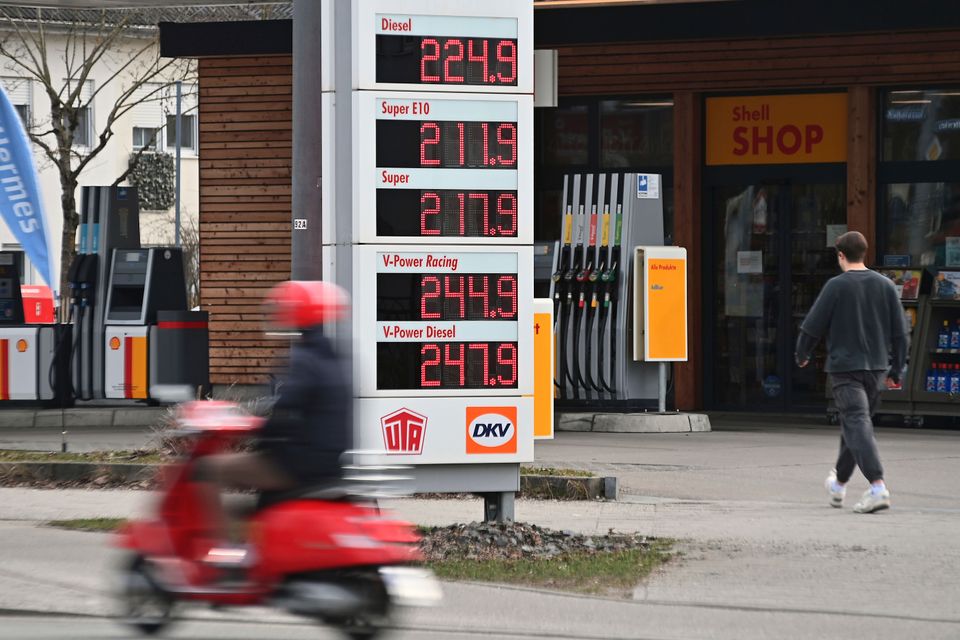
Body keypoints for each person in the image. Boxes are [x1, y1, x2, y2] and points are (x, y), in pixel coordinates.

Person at [198, 280, 353, 547]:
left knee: (206, 469)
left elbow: (284, 411)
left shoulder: (303, 359)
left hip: (295, 464)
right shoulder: (335, 359)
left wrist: (257, 431)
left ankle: (221, 549)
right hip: (329, 463)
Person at [795, 231, 908, 514]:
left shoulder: (836, 286)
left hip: (845, 368)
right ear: (864, 252)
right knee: (856, 425)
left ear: (841, 255)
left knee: (856, 421)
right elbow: (900, 333)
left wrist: (802, 354)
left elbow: (812, 326)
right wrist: (897, 369)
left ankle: (877, 487)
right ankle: (839, 486)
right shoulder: (886, 285)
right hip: (877, 368)